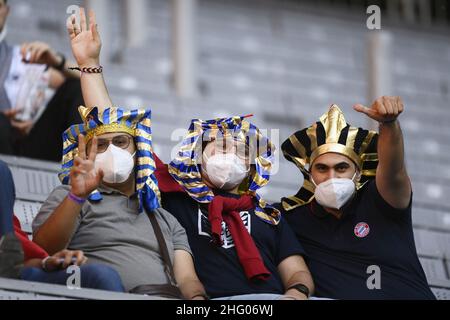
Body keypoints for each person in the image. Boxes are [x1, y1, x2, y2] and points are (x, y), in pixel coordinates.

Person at [277, 100, 436, 299]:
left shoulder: (380, 199)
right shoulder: (291, 218)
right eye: (322, 168)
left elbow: (393, 170)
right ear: (310, 175)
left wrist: (389, 124)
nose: (332, 177)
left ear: (358, 173)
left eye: (341, 168)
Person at [157, 115, 314, 300]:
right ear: (198, 155)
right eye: (222, 146)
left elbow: (297, 273)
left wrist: (296, 295)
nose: (231, 155)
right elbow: (132, 150)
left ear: (251, 166)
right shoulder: (178, 201)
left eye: (242, 152)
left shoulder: (270, 214)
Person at [0, 159, 125, 292]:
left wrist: (46, 263)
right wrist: (77, 197)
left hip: (16, 273)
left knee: (102, 276)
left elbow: (14, 264)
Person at [0, 0, 83, 161]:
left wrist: (58, 62)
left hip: (22, 144)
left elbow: (89, 77)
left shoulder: (23, 57)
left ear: (7, 11)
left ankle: (80, 172)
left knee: (76, 88)